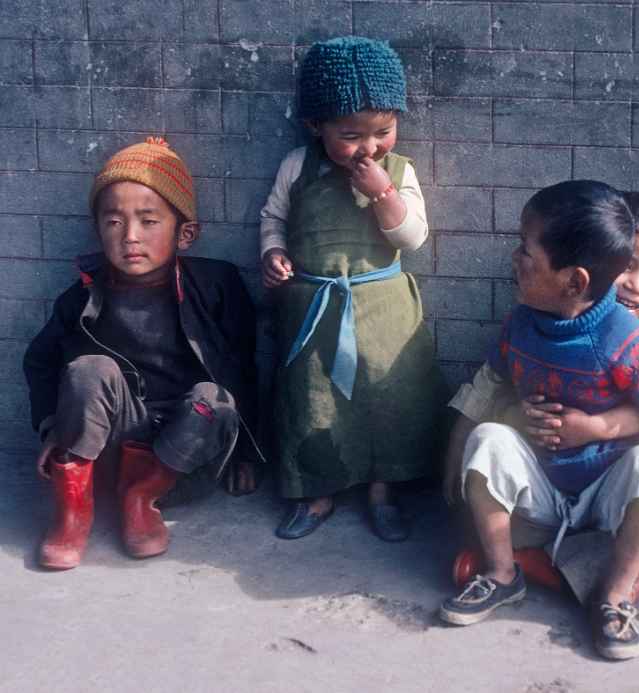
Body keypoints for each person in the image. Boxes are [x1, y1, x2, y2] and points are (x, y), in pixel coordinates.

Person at [439, 180, 639, 660]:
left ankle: (607, 591)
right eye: (625, 266)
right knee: (479, 493)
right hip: (550, 480)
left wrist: (593, 428)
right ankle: (512, 572)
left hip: (613, 486)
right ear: (595, 271)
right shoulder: (533, 320)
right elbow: (494, 390)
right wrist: (500, 427)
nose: (632, 284)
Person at [23, 137, 262, 570]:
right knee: (88, 369)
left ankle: (142, 499)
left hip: (184, 454)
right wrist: (52, 426)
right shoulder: (81, 298)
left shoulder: (217, 287)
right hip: (110, 446)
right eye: (114, 222)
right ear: (98, 229)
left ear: (185, 233)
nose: (130, 237)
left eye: (149, 221)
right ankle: (72, 514)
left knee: (213, 398)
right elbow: (40, 361)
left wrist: (246, 451)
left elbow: (245, 365)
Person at [260, 36, 445, 543]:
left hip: (384, 311)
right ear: (314, 126)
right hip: (313, 310)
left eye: (382, 131)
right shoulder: (297, 166)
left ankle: (385, 490)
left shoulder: (399, 172)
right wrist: (272, 253)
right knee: (315, 400)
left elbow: (411, 236)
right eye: (350, 135)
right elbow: (274, 216)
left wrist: (382, 193)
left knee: (391, 400)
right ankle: (317, 491)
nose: (369, 147)